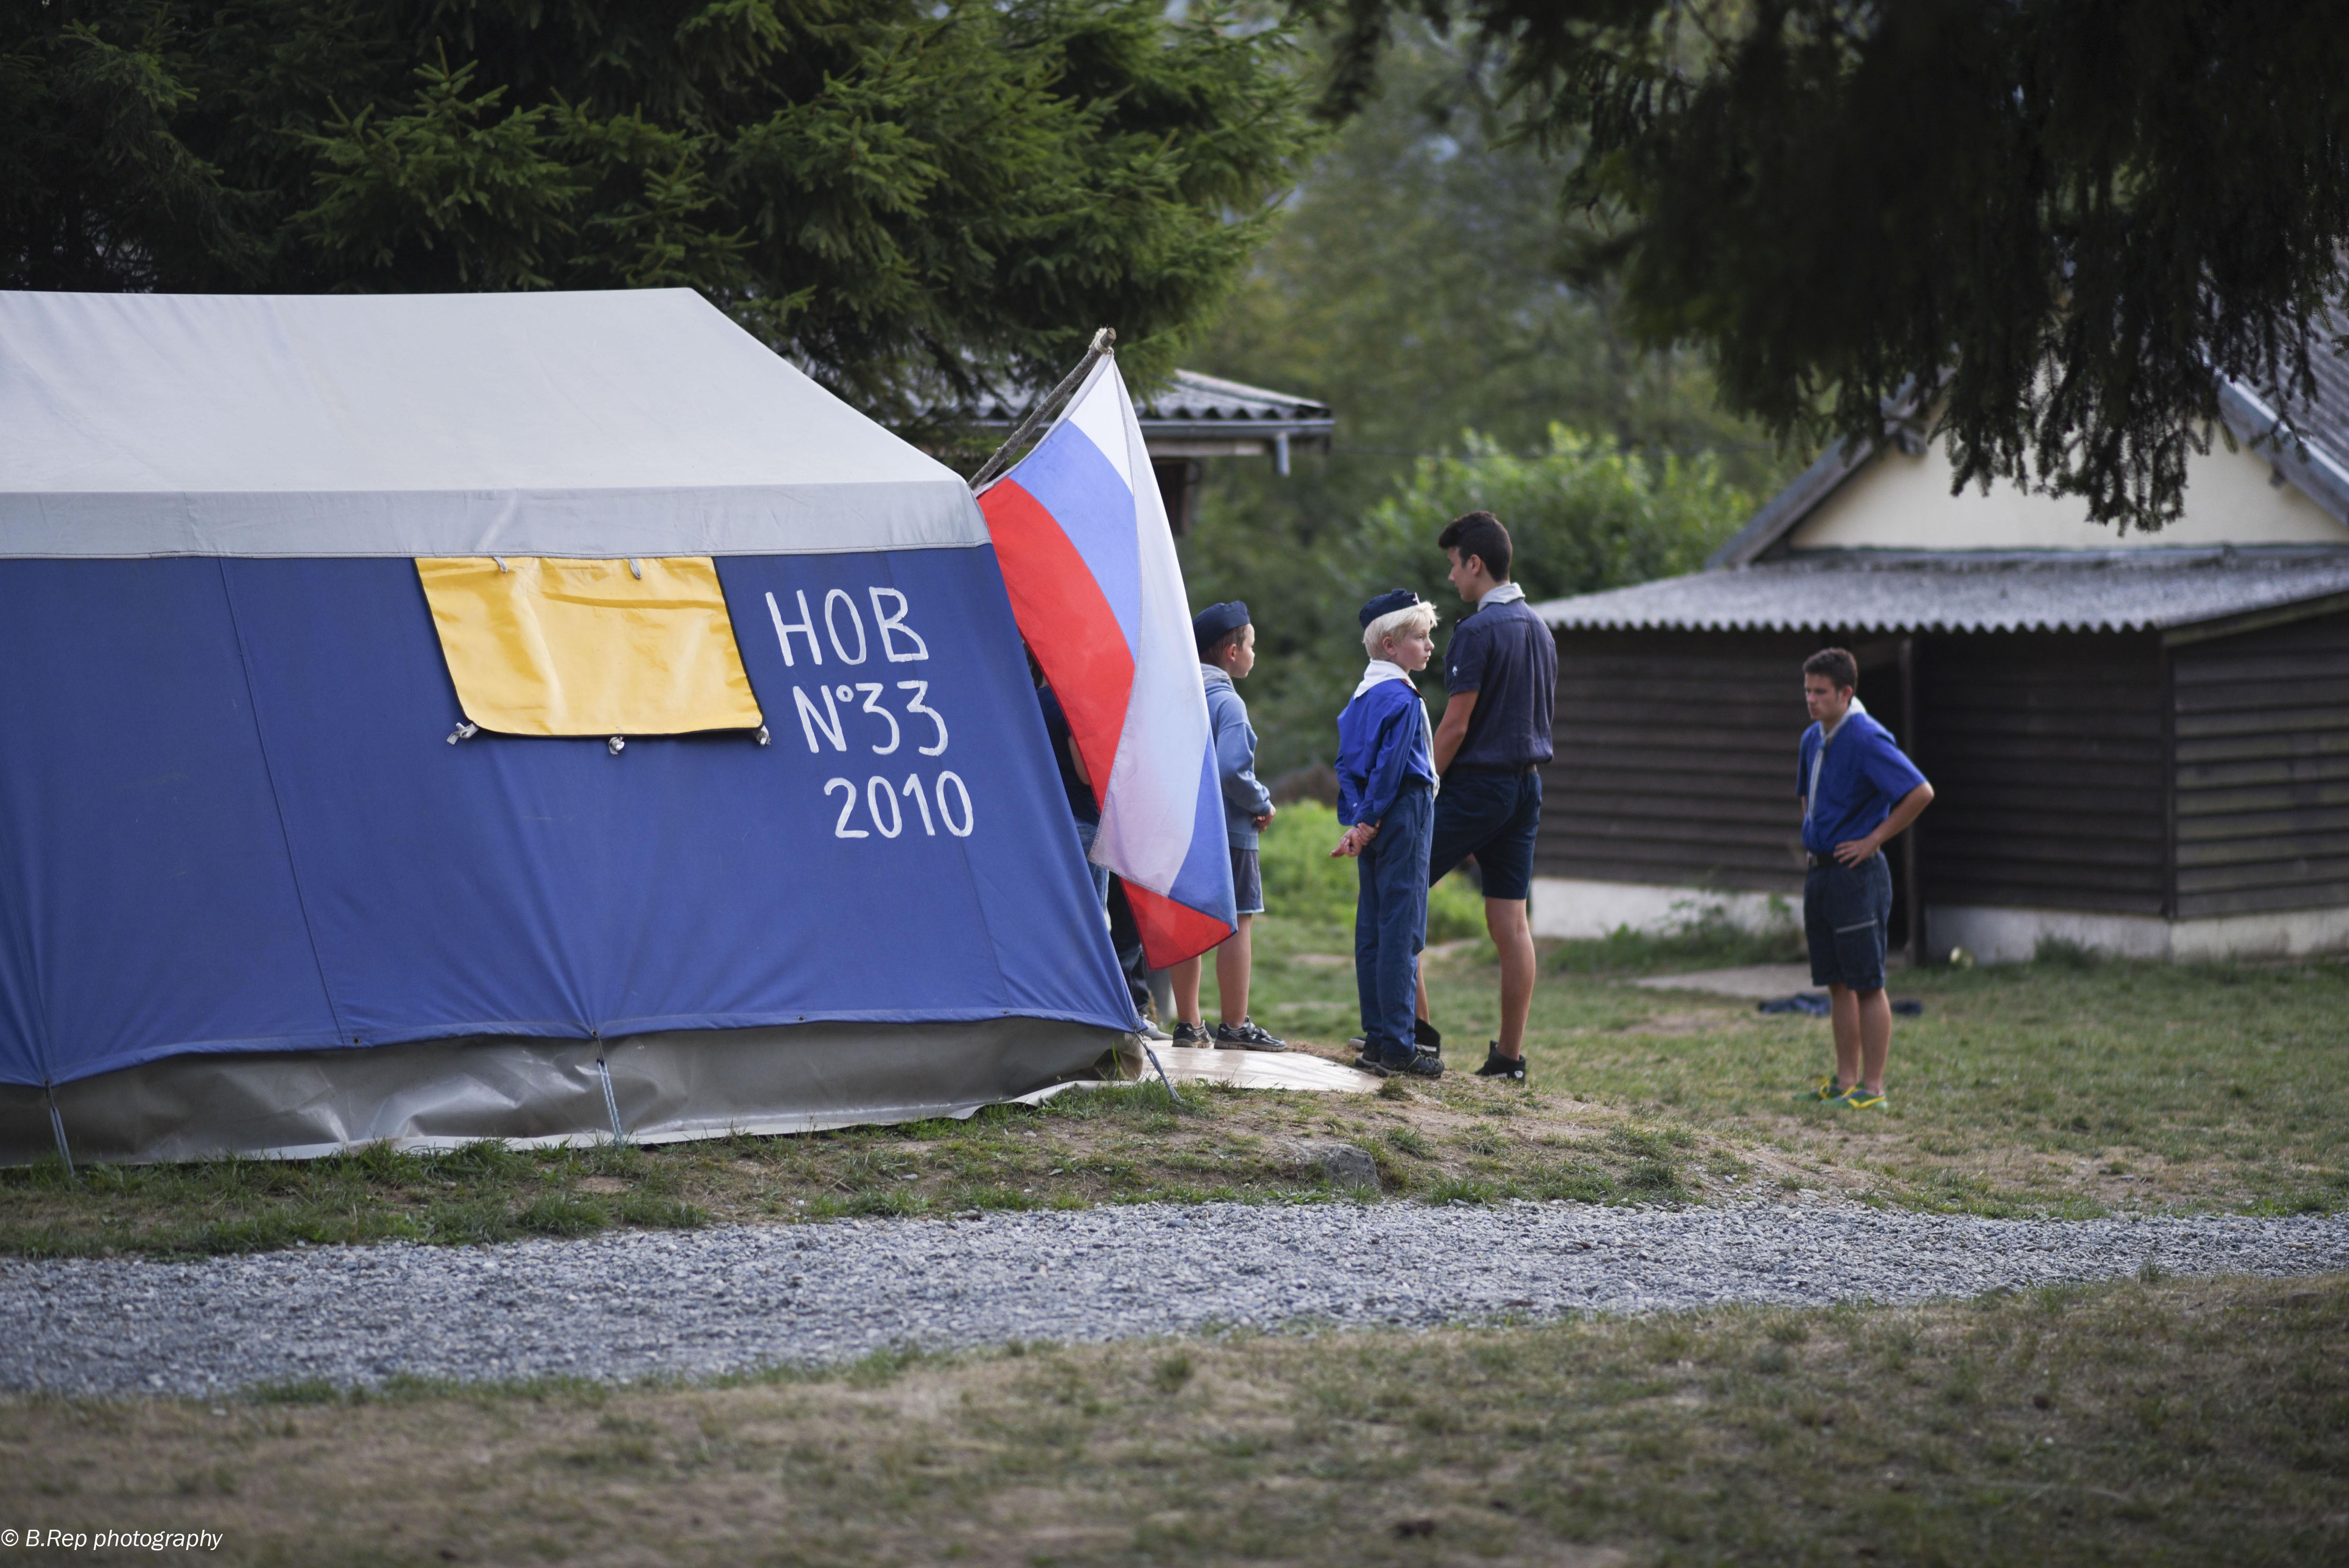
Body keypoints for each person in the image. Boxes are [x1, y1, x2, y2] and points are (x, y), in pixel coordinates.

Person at [1418, 510, 1556, 1083]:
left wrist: (1423, 784)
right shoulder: (1540, 629)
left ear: (1476, 563)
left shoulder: (1476, 631)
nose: (1452, 578)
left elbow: (1454, 725)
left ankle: (1414, 1038)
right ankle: (1509, 1059)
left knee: (1396, 884)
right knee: (1511, 922)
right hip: (1528, 787)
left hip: (1478, 785)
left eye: (1454, 566)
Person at [1795, 647, 1934, 1109]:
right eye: (1808, 690)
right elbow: (1807, 797)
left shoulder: (1868, 737)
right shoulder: (1813, 738)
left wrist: (1873, 839)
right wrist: (1815, 839)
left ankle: (1873, 1089)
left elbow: (1920, 791)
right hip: (1822, 873)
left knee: (1868, 982)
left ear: (1845, 693)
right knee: (1837, 982)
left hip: (1858, 875)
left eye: (1820, 692)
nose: (1811, 700)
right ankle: (1844, 1081)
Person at [1334, 590, 1444, 1078]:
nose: (1430, 646)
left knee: (1374, 927)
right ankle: (1400, 1046)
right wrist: (1372, 819)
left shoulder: (1359, 698)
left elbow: (1347, 766)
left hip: (1373, 818)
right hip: (1402, 812)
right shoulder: (1401, 697)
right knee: (1403, 927)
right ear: (1390, 643)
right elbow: (1391, 766)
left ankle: (1377, 1037)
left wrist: (1358, 821)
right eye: (1421, 637)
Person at [1171, 602, 1286, 1050]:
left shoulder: (1178, 700)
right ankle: (1235, 1027)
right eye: (1252, 645)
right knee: (1238, 923)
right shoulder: (1228, 704)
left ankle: (1189, 1024)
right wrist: (1263, 802)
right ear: (1233, 652)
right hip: (1231, 833)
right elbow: (1232, 771)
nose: (1255, 654)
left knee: (1189, 920)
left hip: (1183, 830)